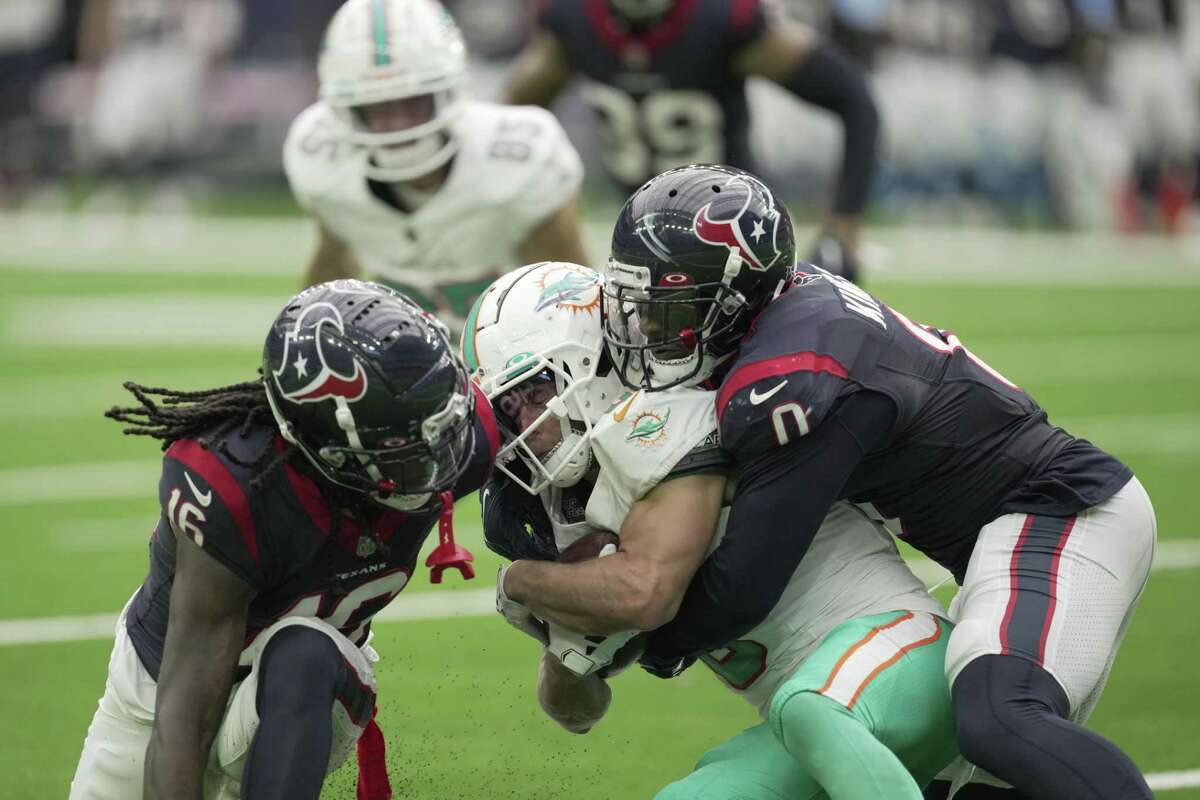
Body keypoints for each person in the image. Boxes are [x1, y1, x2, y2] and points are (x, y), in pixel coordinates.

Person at [594, 164, 1156, 799]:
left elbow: (746, 583)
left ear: (733, 298)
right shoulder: (784, 314)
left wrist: (642, 636)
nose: (650, 332)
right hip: (1004, 539)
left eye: (673, 309)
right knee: (962, 779)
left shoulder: (790, 377)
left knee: (999, 717)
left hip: (1060, 510)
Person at [467, 262, 959, 798]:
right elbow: (578, 713)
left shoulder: (668, 414)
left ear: (589, 359)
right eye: (507, 414)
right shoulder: (560, 512)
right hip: (808, 714)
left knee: (808, 710)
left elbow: (642, 593)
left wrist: (519, 583)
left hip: (900, 654)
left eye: (533, 393)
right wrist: (566, 652)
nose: (522, 431)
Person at [69, 280, 498, 800]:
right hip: (157, 701)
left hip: (309, 694)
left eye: (442, 426)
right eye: (404, 448)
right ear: (328, 449)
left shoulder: (459, 436)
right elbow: (183, 721)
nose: (440, 458)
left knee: (305, 651)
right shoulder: (237, 490)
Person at [504, 0, 879, 281]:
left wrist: (844, 228)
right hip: (639, 242)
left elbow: (854, 100)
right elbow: (512, 120)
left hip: (736, 239)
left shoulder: (720, 18)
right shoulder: (573, 20)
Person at [284, 0, 588, 333]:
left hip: (518, 361)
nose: (398, 125)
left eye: (413, 102)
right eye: (377, 107)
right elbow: (333, 262)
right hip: (406, 364)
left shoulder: (519, 162)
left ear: (448, 91)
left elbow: (573, 299)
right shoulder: (323, 162)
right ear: (348, 110)